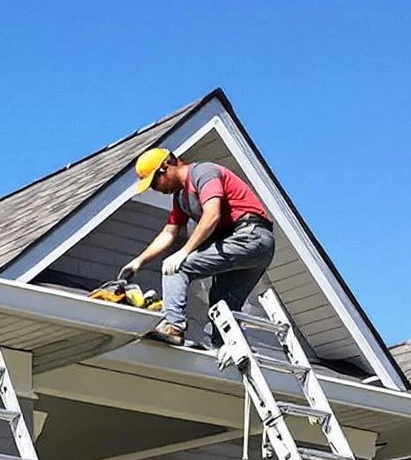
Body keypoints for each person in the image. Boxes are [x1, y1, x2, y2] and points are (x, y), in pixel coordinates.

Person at [99, 147, 277, 346]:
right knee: (222, 305)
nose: (155, 189)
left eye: (154, 182)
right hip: (250, 246)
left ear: (166, 166)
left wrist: (184, 252)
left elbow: (212, 215)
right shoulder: (181, 198)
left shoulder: (203, 173)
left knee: (176, 269)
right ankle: (224, 348)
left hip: (250, 236)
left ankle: (173, 326)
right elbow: (169, 232)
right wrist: (139, 261)